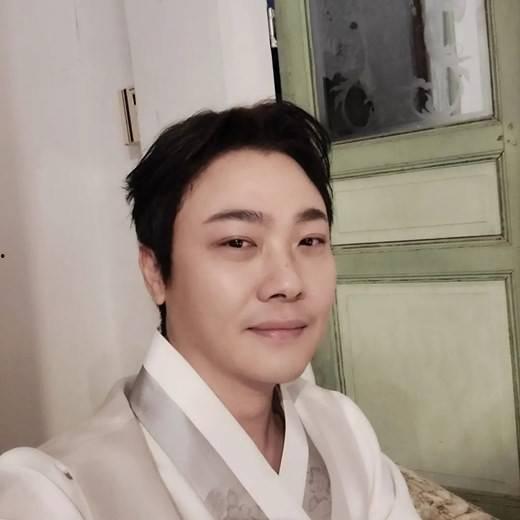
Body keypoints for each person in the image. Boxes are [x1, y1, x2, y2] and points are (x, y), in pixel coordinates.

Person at [0, 101, 420, 519]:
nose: (289, 282)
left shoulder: (343, 431)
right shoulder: (57, 495)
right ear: (155, 271)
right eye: (238, 242)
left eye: (309, 240)